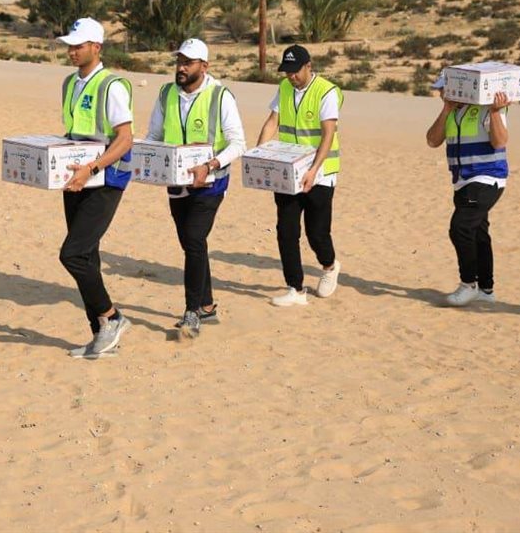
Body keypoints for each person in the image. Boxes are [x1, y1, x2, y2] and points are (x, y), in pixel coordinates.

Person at [144, 38, 246, 338]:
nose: (181, 67)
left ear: (204, 66)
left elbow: (238, 143)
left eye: (188, 63)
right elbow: (154, 136)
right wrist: (145, 157)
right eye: (179, 61)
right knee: (192, 244)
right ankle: (208, 305)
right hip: (177, 183)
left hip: (211, 183)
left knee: (193, 238)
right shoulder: (166, 93)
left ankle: (191, 312)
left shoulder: (220, 96)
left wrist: (210, 165)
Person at [57, 18, 135, 358]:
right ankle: (101, 336)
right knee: (87, 255)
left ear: (96, 47)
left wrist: (92, 167)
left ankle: (112, 317)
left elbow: (125, 138)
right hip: (76, 177)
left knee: (72, 254)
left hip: (106, 178)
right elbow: (75, 132)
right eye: (70, 46)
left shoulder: (111, 86)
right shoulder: (69, 83)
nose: (72, 51)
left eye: (79, 46)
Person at [255, 44, 344, 306]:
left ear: (308, 66)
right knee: (286, 230)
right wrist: (259, 155)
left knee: (317, 233)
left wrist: (314, 170)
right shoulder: (284, 87)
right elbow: (272, 122)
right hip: (288, 172)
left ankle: (329, 266)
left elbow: (328, 134)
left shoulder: (326, 91)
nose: (291, 76)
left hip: (320, 173)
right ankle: (296, 289)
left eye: (295, 71)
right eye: (287, 71)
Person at [425, 75, 512, 307]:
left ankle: (468, 284)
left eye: (444, 89)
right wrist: (446, 110)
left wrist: (495, 112)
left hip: (487, 177)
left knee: (460, 228)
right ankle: (486, 290)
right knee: (478, 232)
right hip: (462, 181)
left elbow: (500, 141)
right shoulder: (451, 112)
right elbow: (432, 140)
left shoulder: (486, 109)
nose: (441, 93)